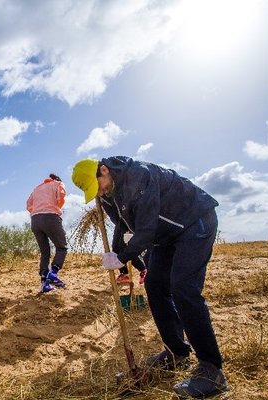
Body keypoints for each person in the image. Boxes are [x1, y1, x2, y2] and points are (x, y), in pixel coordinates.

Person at [72, 157, 229, 399]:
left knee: (183, 287)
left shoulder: (139, 176)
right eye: (95, 191)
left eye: (99, 185)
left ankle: (211, 370)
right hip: (165, 237)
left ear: (104, 170)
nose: (100, 191)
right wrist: (114, 255)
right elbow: (121, 226)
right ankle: (176, 352)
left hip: (194, 221)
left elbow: (145, 229)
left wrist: (124, 257)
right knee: (155, 284)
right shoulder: (106, 193)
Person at [26, 173, 68, 293]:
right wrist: (56, 208)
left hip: (35, 220)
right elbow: (61, 197)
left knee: (45, 252)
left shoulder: (37, 188)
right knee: (62, 247)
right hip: (50, 217)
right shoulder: (58, 184)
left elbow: (28, 204)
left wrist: (36, 211)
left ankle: (45, 284)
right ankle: (53, 273)